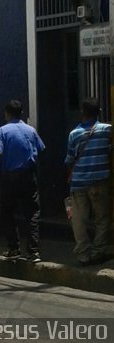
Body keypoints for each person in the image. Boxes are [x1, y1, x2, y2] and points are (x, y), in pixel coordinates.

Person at [0, 99, 45, 262]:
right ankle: (34, 251)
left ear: (7, 113)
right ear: (21, 113)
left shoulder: (2, 131)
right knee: (32, 213)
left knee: (7, 212)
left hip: (10, 177)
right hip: (28, 175)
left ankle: (14, 248)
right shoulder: (31, 130)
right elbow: (40, 150)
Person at [65, 98, 112, 266]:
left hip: (78, 182)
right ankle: (98, 251)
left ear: (82, 113)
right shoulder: (107, 130)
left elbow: (69, 159)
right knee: (102, 218)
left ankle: (83, 254)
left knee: (79, 220)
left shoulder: (74, 134)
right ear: (99, 111)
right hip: (99, 180)